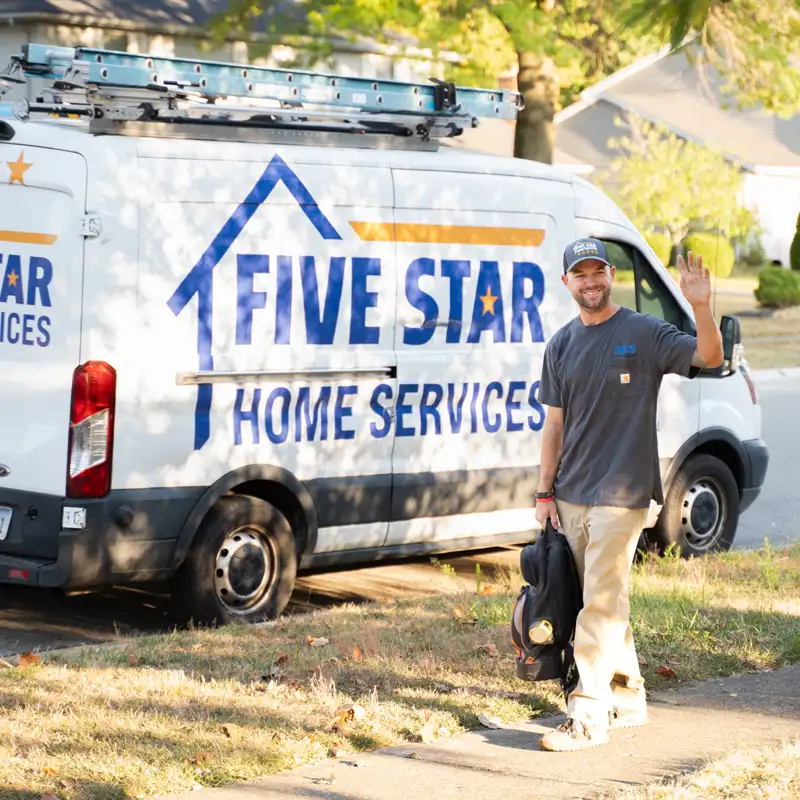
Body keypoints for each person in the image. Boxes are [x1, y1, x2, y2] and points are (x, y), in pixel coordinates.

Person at [535, 238, 723, 752]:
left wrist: (702, 308)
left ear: (611, 275)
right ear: (566, 282)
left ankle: (588, 715)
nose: (590, 281)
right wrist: (544, 491)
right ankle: (629, 695)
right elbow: (553, 425)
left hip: (623, 493)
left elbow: (708, 355)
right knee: (605, 596)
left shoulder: (642, 331)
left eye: (598, 272)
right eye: (580, 274)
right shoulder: (560, 345)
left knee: (597, 601)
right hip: (571, 492)